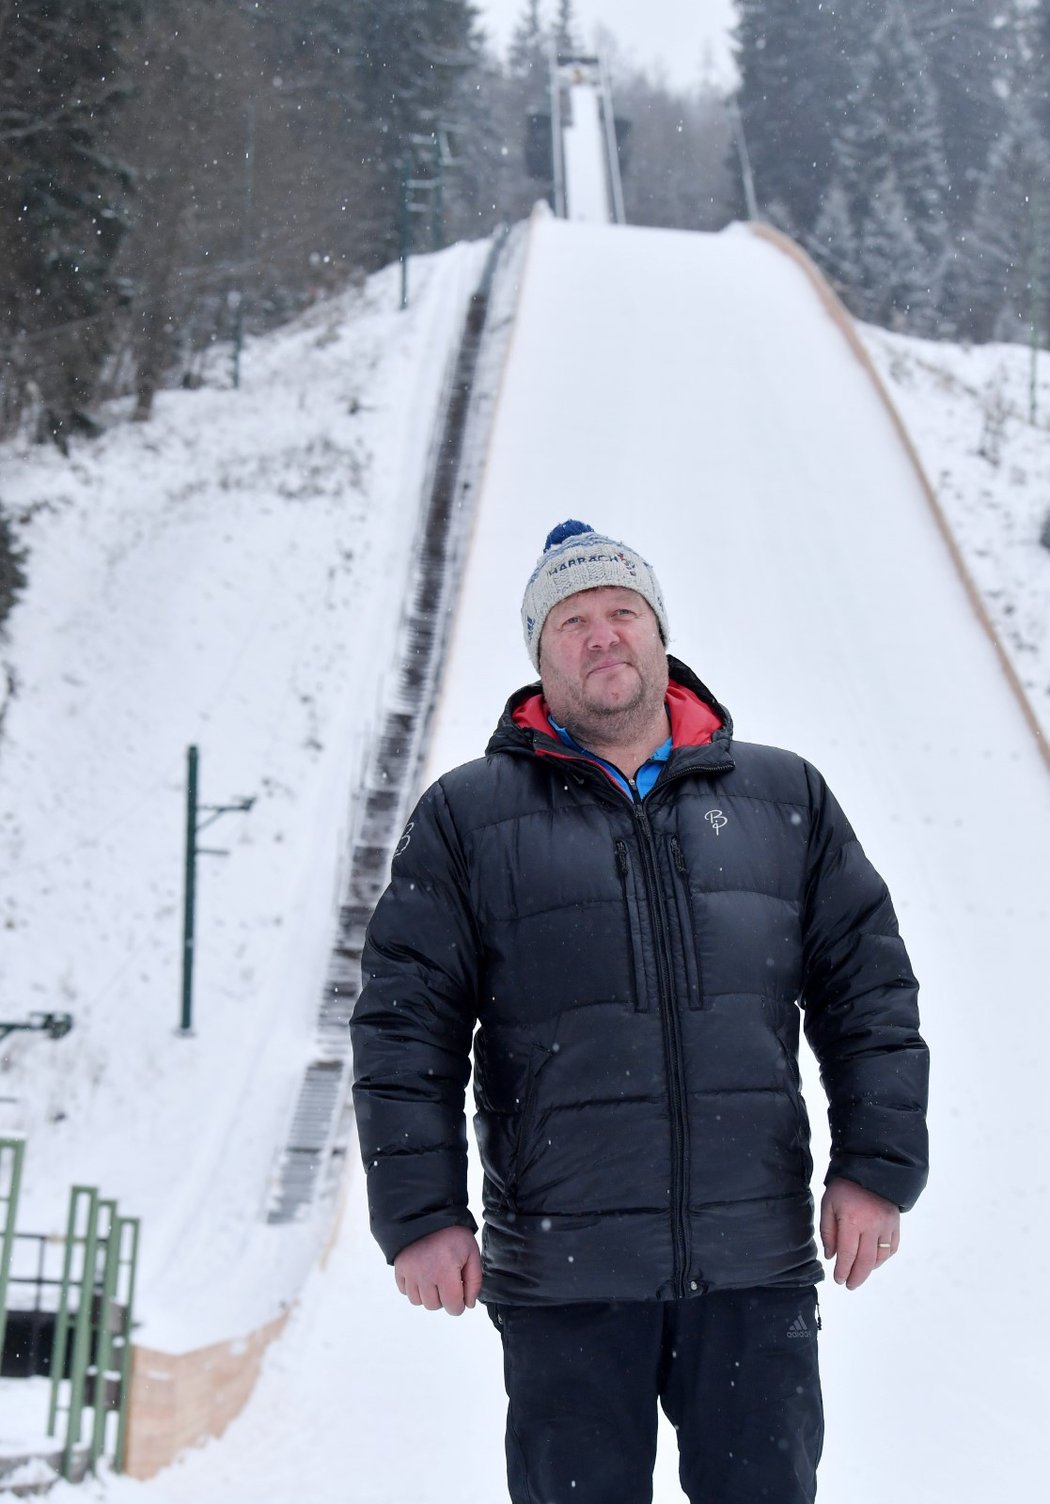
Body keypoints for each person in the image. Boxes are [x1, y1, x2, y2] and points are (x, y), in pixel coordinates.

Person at [351, 520, 929, 1504]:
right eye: (571, 620)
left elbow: (867, 990)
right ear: (541, 659)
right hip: (567, 1276)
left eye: (622, 611)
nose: (602, 633)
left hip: (755, 1267)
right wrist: (420, 1215)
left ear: (661, 637)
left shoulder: (783, 798)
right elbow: (405, 1024)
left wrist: (875, 1168)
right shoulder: (468, 817)